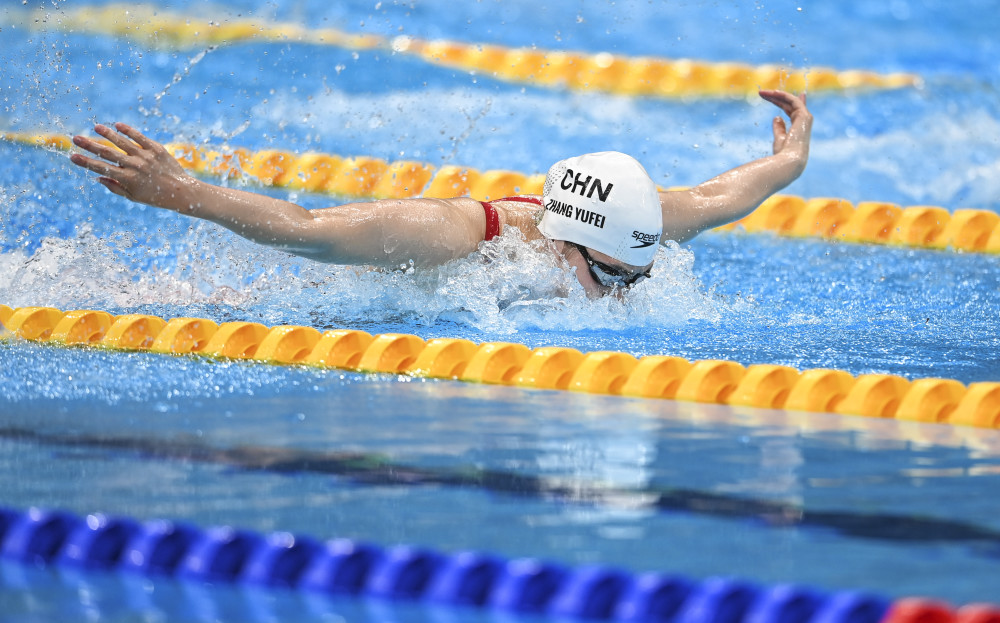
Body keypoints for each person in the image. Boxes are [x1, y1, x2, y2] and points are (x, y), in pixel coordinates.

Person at [68, 89, 812, 298]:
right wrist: (178, 190)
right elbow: (306, 228)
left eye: (633, 275)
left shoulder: (629, 225)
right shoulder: (455, 235)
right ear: (564, 240)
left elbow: (723, 197)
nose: (623, 291)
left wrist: (791, 160)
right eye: (611, 275)